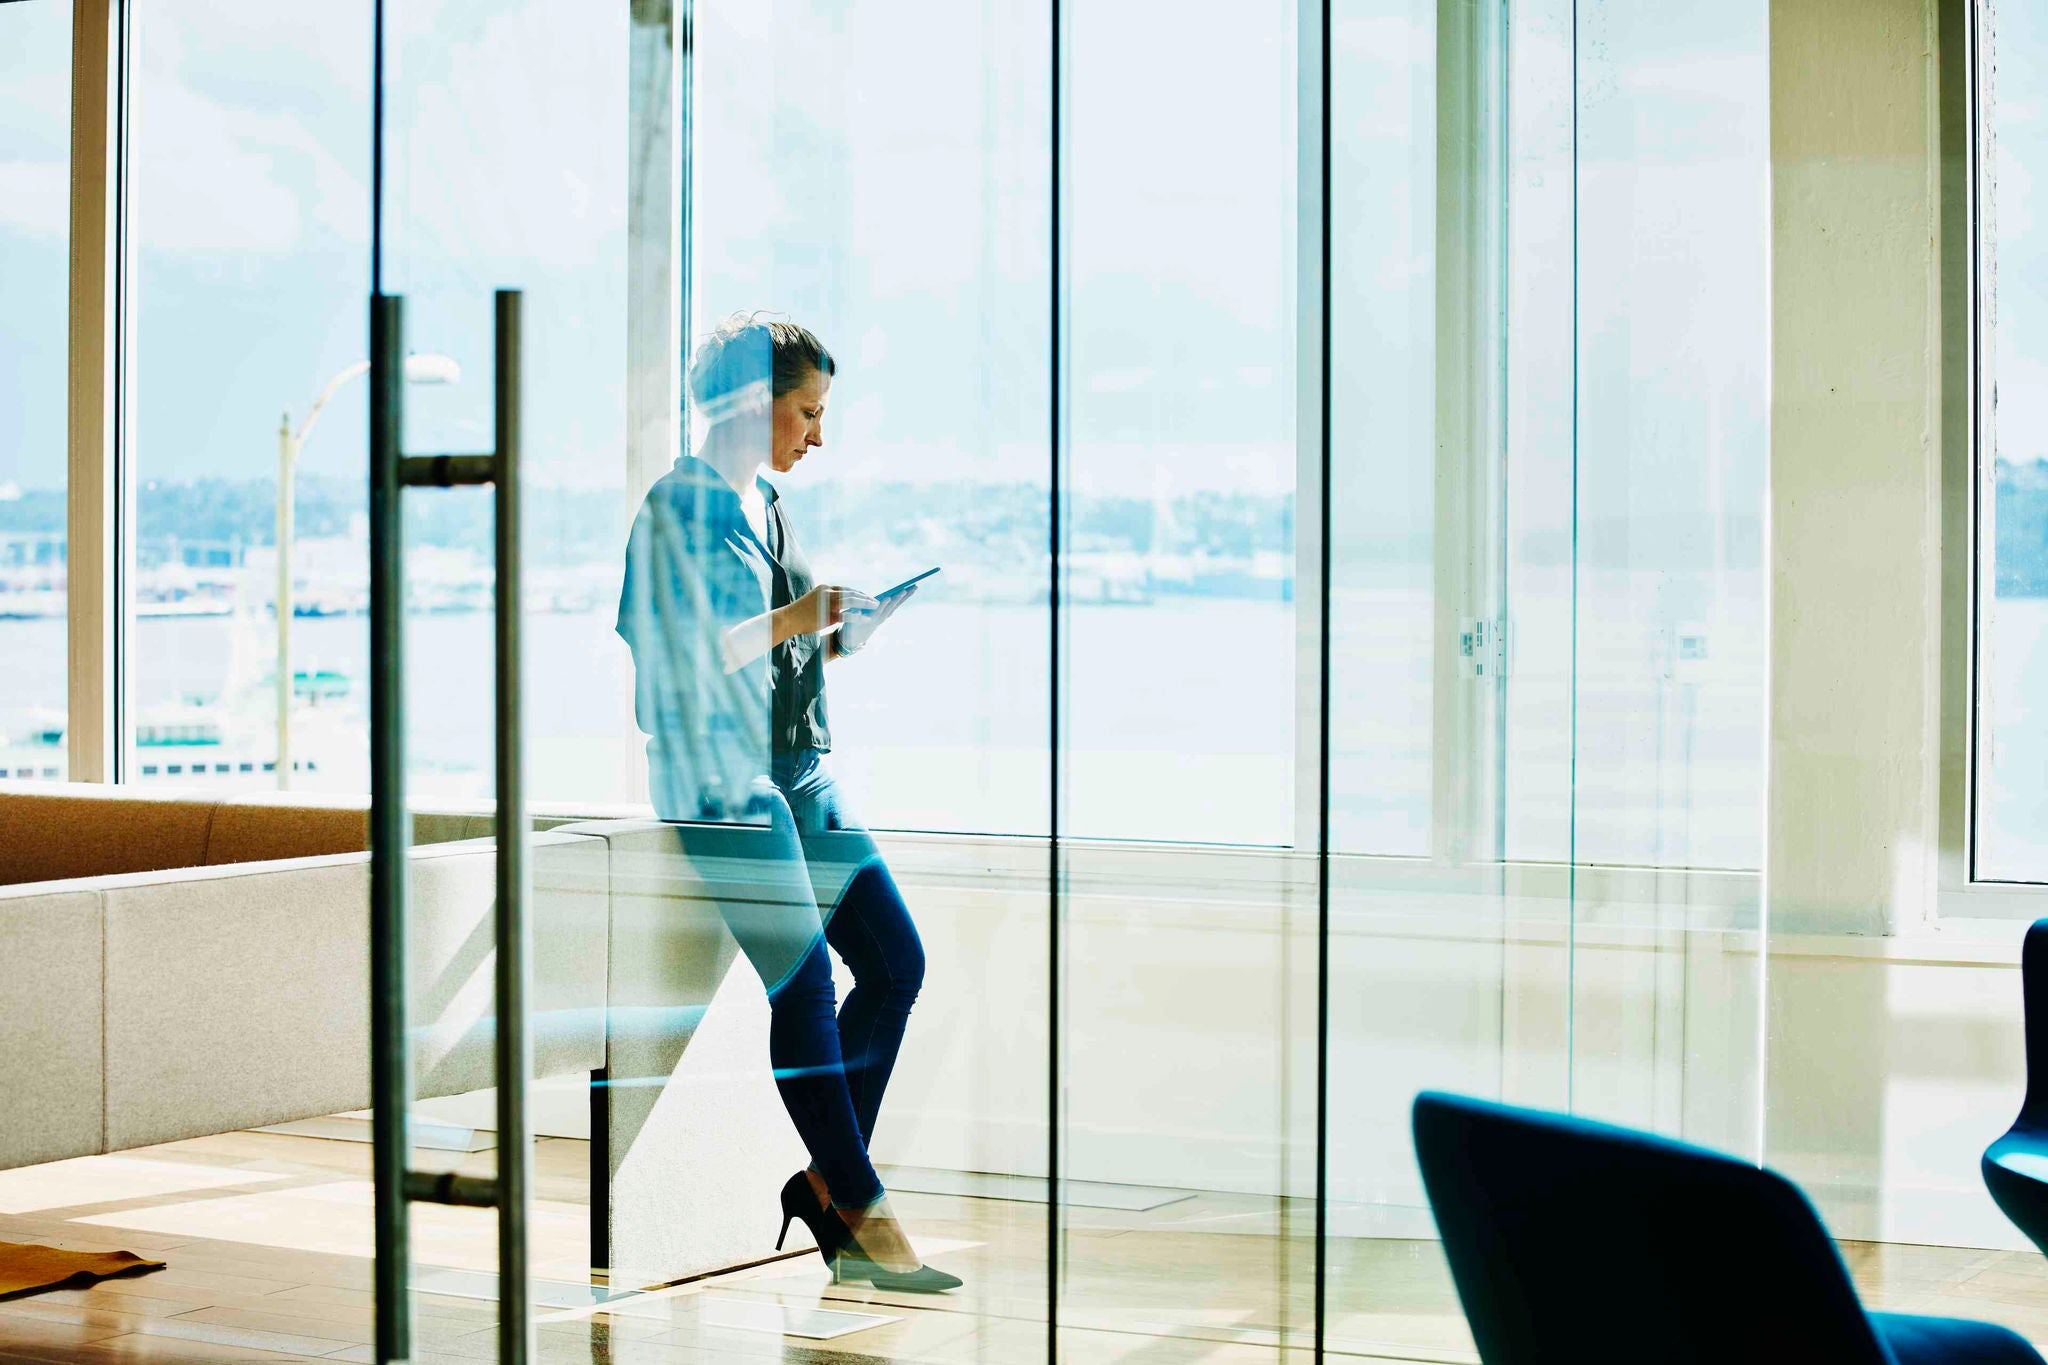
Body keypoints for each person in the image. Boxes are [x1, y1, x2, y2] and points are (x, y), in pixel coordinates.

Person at [616, 313, 958, 1292]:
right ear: (744, 404)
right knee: (804, 985)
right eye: (805, 413)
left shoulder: (764, 504)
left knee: (895, 963)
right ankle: (859, 1204)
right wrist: (805, 615)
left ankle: (824, 1181)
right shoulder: (678, 508)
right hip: (720, 779)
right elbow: (694, 653)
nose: (818, 435)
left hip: (798, 768)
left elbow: (777, 647)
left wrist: (843, 634)